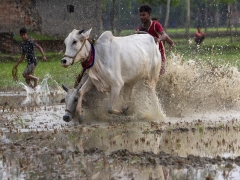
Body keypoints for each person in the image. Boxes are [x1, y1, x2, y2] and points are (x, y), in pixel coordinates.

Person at [135, 5, 174, 75]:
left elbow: (164, 35)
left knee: (161, 75)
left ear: (149, 15)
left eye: (144, 15)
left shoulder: (156, 25)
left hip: (159, 54)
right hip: (147, 57)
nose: (141, 17)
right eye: (140, 15)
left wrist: (158, 40)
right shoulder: (139, 29)